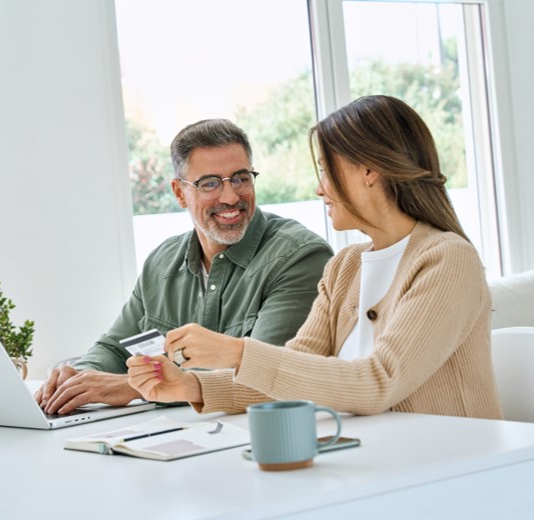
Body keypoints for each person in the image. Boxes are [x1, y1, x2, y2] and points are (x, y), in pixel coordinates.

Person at [127, 95, 503, 420]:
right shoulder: (345, 267)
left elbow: (378, 382)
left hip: (448, 472)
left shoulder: (448, 259)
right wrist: (190, 385)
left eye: (326, 169)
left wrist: (236, 352)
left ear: (370, 170)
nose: (320, 187)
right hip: (370, 467)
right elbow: (292, 376)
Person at [36, 118, 333, 414]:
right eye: (210, 184)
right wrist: (78, 378)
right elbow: (115, 348)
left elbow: (270, 374)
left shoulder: (298, 257)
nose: (230, 197)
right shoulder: (161, 263)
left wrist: (130, 387)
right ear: (179, 193)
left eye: (241, 178)